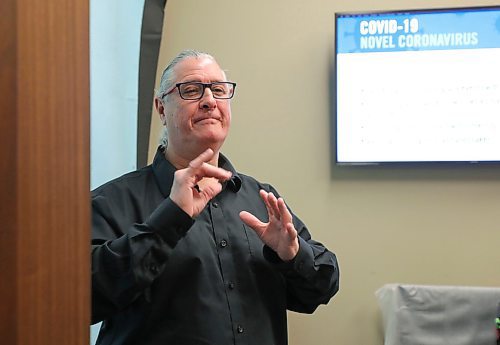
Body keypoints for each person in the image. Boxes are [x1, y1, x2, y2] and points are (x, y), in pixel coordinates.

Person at [91, 49, 339, 345]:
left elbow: (320, 289)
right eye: (192, 90)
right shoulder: (111, 201)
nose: (209, 101)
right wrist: (169, 220)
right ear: (160, 108)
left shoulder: (262, 199)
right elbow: (82, 298)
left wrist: (292, 255)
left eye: (219, 90)